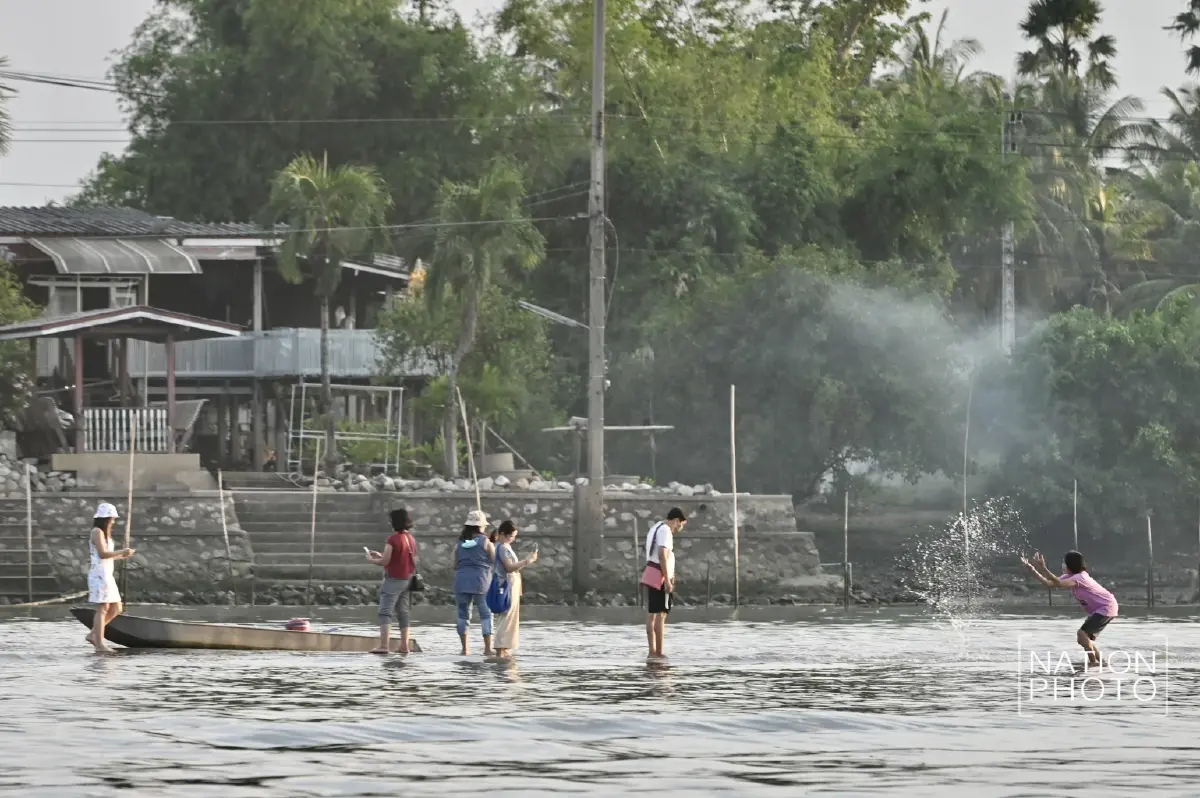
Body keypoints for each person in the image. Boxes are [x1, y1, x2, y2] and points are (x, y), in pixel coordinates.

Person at [1021, 550, 1119, 668]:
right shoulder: (1070, 576)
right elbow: (1049, 584)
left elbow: (1058, 583)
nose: (1063, 565)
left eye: (1064, 563)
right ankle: (1102, 663)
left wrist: (1043, 568)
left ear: (1071, 565)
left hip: (1106, 606)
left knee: (1082, 634)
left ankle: (1093, 664)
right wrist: (1031, 569)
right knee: (1082, 639)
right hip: (1103, 608)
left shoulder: (1080, 577)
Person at [366, 508, 418, 654]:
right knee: (403, 613)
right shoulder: (410, 539)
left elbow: (385, 561)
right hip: (407, 579)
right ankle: (404, 646)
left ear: (394, 522)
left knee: (385, 612)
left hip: (394, 579)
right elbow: (403, 558)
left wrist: (372, 560)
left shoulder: (393, 539)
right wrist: (381, 554)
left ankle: (384, 646)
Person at [85, 503, 134, 653]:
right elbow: (102, 554)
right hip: (99, 574)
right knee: (102, 608)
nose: (113, 521)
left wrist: (122, 556)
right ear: (106, 518)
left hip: (106, 573)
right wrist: (122, 551)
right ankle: (99, 644)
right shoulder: (97, 531)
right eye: (112, 518)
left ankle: (93, 634)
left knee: (116, 607)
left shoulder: (104, 533)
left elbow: (107, 556)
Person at [490, 520, 538, 659]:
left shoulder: (505, 546)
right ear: (504, 534)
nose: (513, 539)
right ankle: (500, 649)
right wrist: (527, 561)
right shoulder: (502, 548)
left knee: (510, 618)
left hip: (512, 583)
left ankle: (504, 648)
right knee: (506, 617)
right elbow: (509, 567)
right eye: (512, 536)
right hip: (506, 584)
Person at [644, 507, 687, 658]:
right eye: (680, 525)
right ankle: (659, 652)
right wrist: (668, 579)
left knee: (652, 615)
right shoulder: (666, 531)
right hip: (660, 575)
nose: (678, 529)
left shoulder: (655, 527)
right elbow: (663, 554)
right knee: (661, 615)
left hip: (651, 572)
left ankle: (652, 652)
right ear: (676, 520)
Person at [453, 510, 496, 656]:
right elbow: (494, 560)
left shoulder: (459, 543)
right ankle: (487, 648)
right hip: (481, 581)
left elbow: (454, 564)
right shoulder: (485, 542)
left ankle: (465, 649)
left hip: (461, 581)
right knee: (485, 614)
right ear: (481, 526)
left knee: (463, 614)